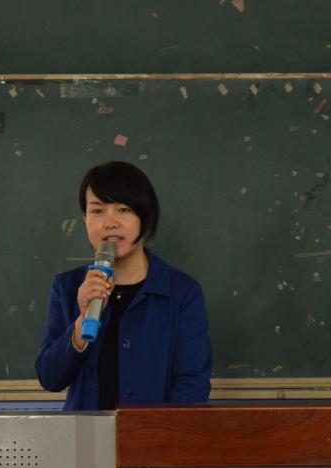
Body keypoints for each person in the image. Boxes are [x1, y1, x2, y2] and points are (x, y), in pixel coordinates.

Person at [36, 161, 212, 410]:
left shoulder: (182, 292)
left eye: (123, 209)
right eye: (97, 211)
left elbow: (191, 386)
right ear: (85, 219)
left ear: (146, 216)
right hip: (84, 433)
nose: (110, 222)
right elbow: (50, 378)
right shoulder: (67, 287)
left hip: (154, 433)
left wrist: (159, 433)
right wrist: (82, 321)